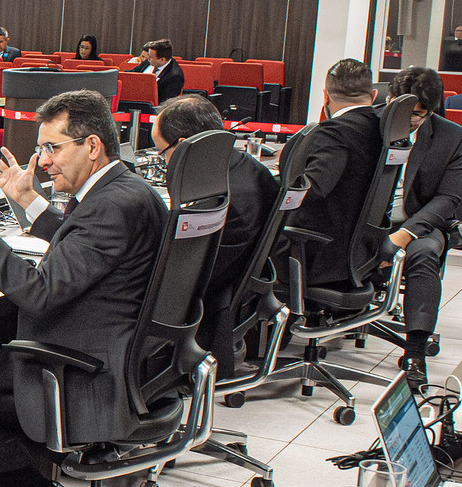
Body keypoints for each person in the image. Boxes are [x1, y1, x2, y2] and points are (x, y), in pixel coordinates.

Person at [0, 90, 166, 487]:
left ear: (92, 146)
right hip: (121, 355)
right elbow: (80, 243)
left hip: (86, 371)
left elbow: (39, 295)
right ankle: (28, 485)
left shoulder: (111, 206)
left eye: (52, 148)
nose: (42, 162)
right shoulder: (128, 191)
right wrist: (27, 199)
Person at [152, 94, 277, 369]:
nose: (165, 163)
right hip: (234, 298)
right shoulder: (249, 168)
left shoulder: (214, 199)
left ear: (183, 146)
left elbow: (178, 273)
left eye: (163, 153)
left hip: (198, 306)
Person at [389, 67, 462, 384]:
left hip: (419, 219)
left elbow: (448, 199)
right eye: (400, 109)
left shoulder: (451, 137)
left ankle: (415, 353)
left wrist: (404, 234)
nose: (407, 119)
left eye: (416, 115)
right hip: (366, 219)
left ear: (430, 111)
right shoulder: (367, 124)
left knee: (425, 253)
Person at [289, 58, 384, 291]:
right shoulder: (383, 129)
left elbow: (310, 191)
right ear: (373, 95)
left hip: (321, 258)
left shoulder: (334, 133)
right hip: (362, 254)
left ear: (325, 96)